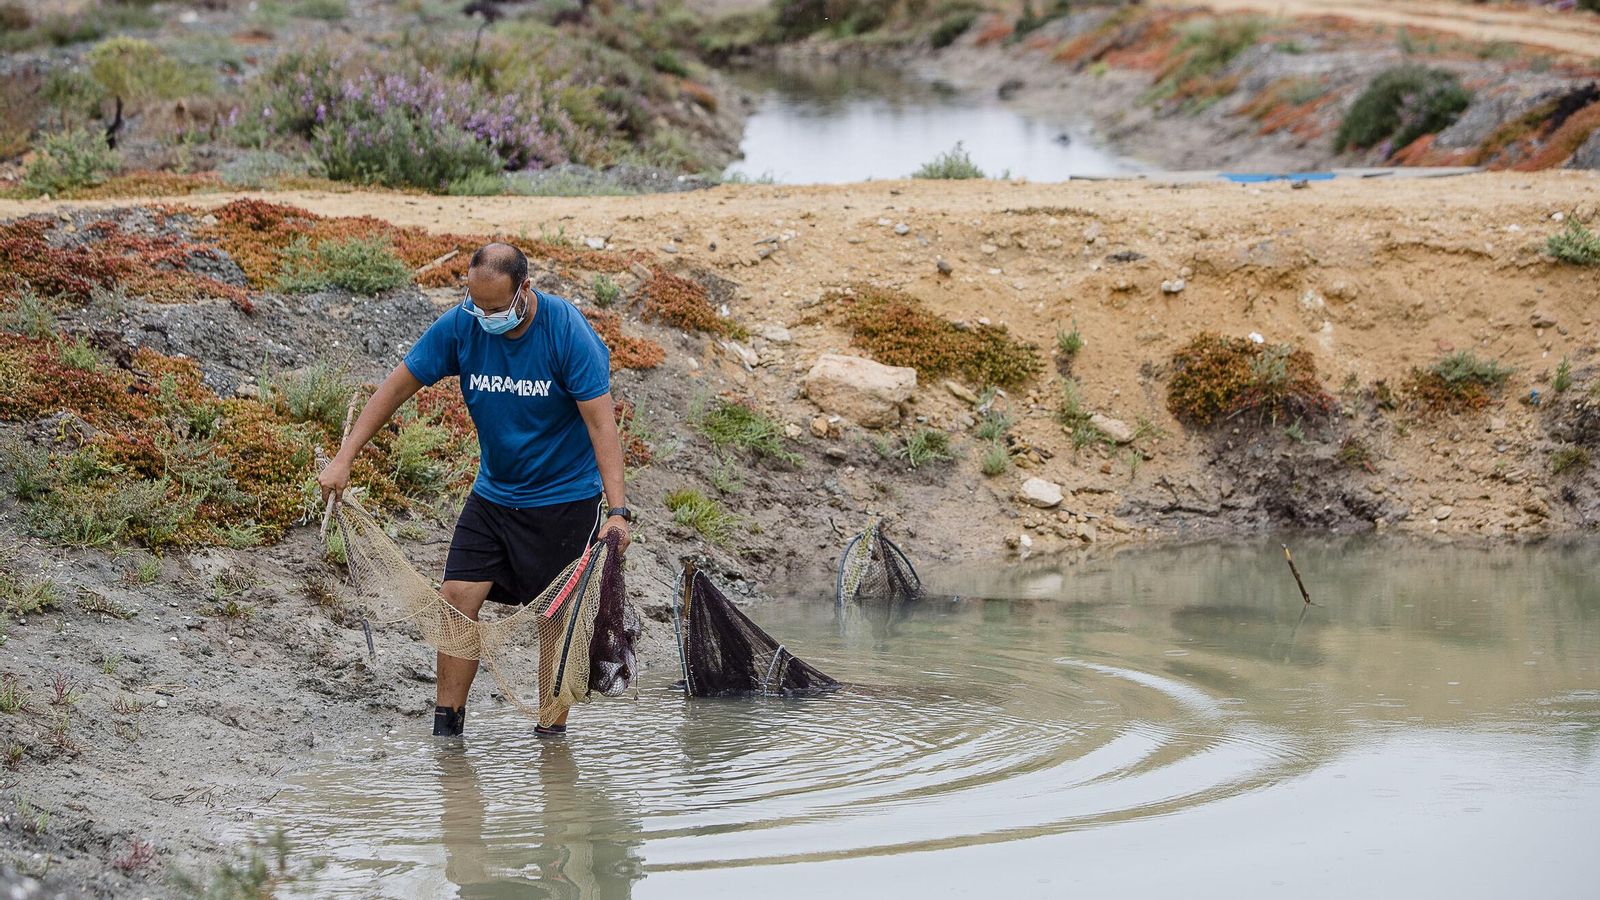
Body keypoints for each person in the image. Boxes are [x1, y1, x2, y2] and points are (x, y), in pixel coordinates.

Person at [318, 243, 633, 739]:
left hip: (564, 501)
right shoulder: (462, 324)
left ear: (524, 289)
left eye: (495, 308)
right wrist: (344, 458)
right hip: (493, 495)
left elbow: (602, 427)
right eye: (475, 303)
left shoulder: (566, 332)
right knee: (457, 597)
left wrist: (617, 512)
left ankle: (551, 742)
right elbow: (396, 387)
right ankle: (448, 730)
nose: (483, 315)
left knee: (555, 618)